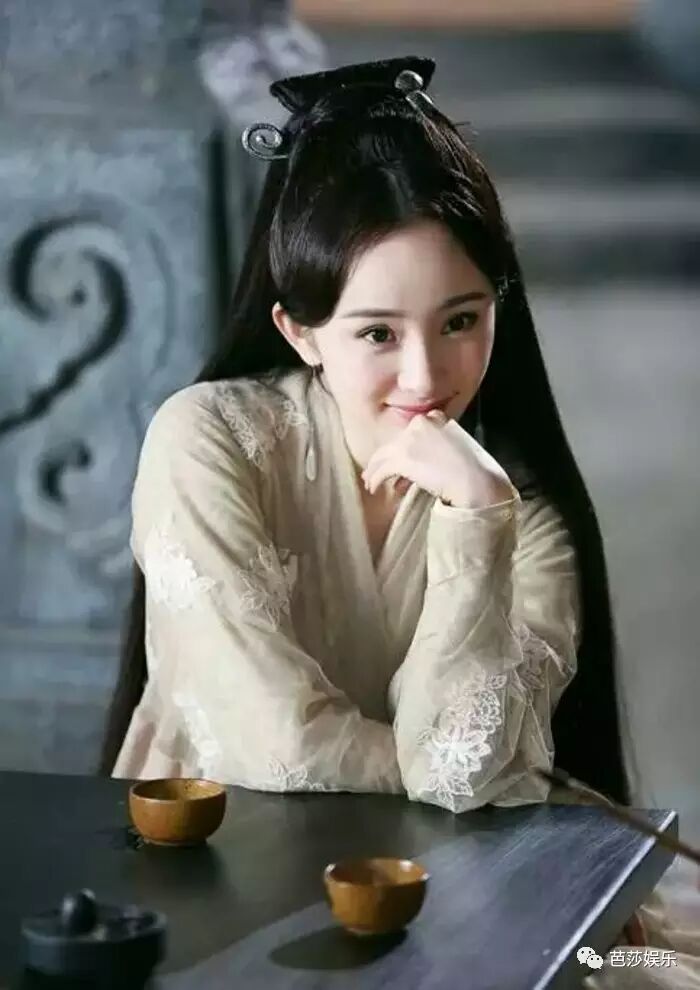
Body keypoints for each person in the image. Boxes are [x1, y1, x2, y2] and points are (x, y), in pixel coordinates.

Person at [99, 57, 698, 985]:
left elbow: (463, 776)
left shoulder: (514, 505)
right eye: (378, 332)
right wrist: (448, 769)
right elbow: (272, 748)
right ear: (300, 331)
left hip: (462, 886)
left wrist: (476, 516)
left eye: (461, 320)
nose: (426, 378)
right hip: (222, 870)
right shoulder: (207, 441)